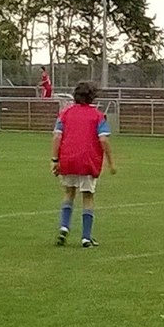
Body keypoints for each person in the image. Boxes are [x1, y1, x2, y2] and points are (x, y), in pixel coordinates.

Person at [53, 81, 115, 248]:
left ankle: (64, 227)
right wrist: (111, 162)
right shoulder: (97, 116)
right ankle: (86, 238)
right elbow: (103, 139)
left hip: (68, 159)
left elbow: (57, 136)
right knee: (87, 196)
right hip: (87, 161)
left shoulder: (65, 113)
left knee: (69, 192)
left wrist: (55, 160)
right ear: (92, 97)